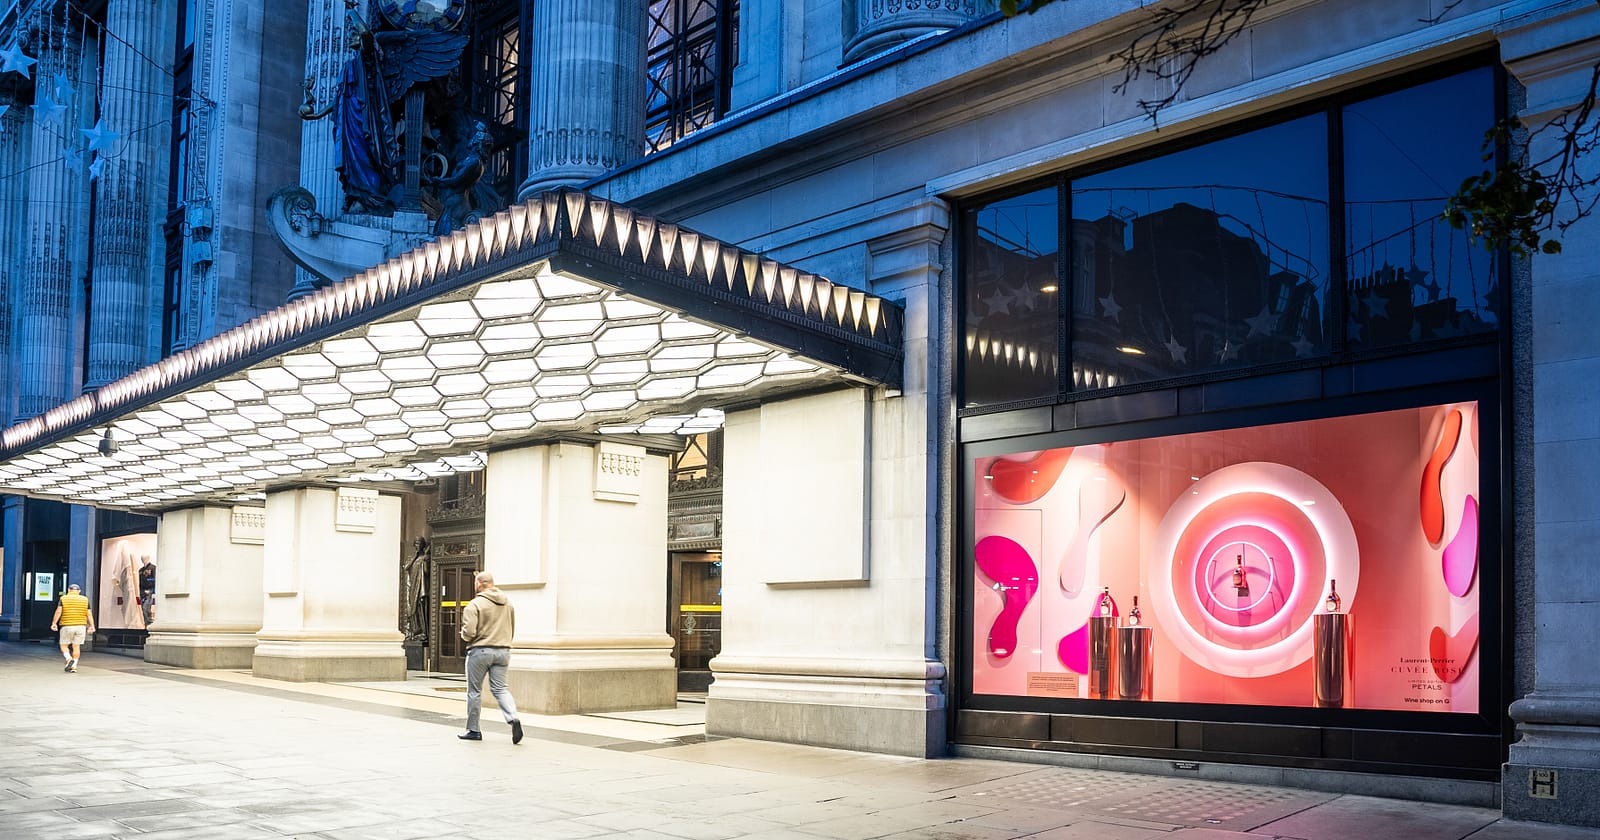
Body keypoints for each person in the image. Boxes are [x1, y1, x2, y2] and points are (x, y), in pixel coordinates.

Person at [458, 570, 522, 744]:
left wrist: (464, 635)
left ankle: (473, 730)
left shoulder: (475, 604)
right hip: (503, 650)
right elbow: (512, 626)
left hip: (480, 651)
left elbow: (469, 632)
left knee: (474, 691)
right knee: (501, 689)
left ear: (479, 584)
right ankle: (513, 717)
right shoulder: (507, 603)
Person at [50, 583, 96, 673]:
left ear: (68, 590)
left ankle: (68, 658)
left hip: (67, 625)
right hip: (81, 626)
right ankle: (74, 666)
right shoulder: (85, 600)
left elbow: (59, 611)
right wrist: (92, 626)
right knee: (76, 646)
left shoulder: (63, 598)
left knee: (63, 645)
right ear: (79, 591)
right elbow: (89, 614)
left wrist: (54, 623)